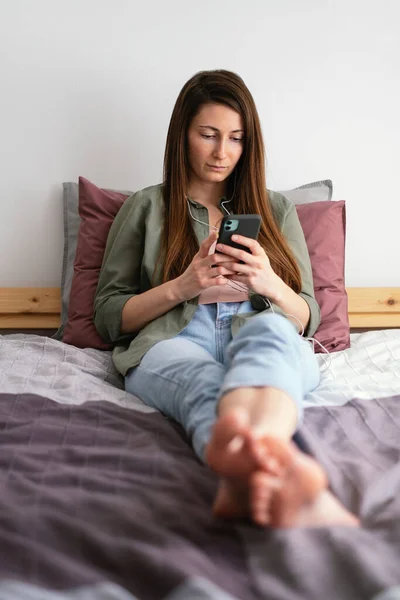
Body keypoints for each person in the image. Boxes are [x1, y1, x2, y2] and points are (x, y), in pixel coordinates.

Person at [94, 70, 358, 528]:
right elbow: (108, 315)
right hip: (174, 337)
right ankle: (281, 468)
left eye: (235, 139)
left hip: (258, 326)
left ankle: (248, 471)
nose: (222, 153)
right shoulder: (146, 207)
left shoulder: (276, 210)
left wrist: (269, 282)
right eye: (208, 135)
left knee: (273, 331)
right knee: (202, 383)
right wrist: (183, 285)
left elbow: (306, 318)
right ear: (183, 136)